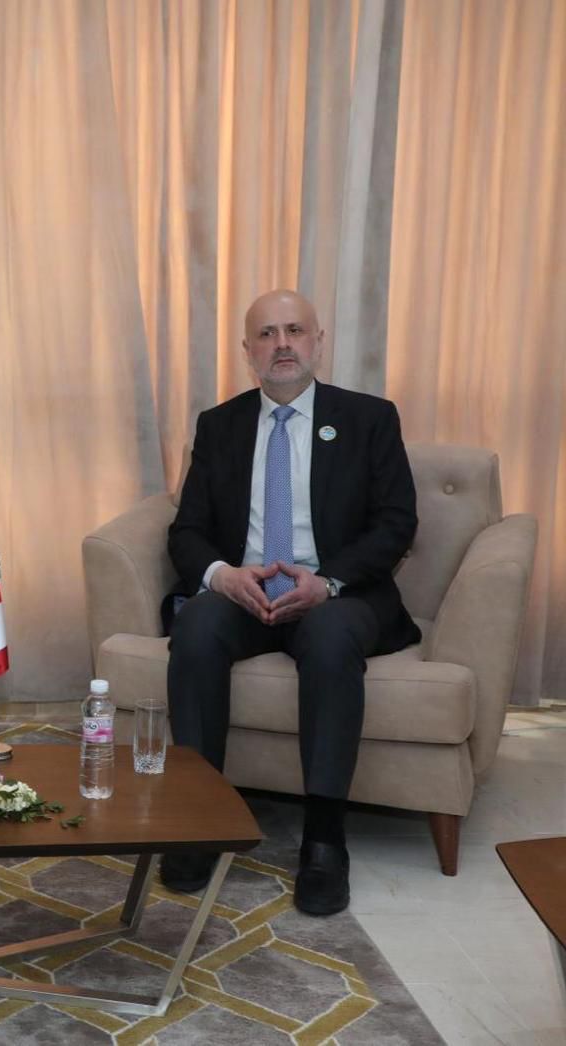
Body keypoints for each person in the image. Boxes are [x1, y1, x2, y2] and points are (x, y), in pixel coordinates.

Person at [163, 289, 419, 916]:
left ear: (317, 342)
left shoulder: (369, 418)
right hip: (246, 592)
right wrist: (223, 576)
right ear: (247, 351)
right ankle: (199, 819)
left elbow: (396, 523)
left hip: (336, 593)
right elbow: (187, 530)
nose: (282, 344)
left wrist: (327, 582)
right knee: (196, 626)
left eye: (295, 330)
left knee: (330, 640)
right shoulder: (219, 425)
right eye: (267, 333)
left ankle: (324, 840)